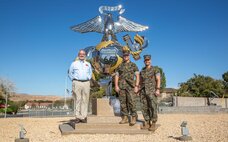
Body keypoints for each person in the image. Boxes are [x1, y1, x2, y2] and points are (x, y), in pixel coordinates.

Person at [115, 50, 140, 126]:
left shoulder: (133, 65)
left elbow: (137, 76)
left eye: (127, 55)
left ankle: (133, 117)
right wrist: (116, 85)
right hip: (122, 86)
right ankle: (125, 117)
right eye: (124, 56)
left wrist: (136, 86)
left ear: (129, 56)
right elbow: (117, 76)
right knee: (123, 103)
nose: (125, 57)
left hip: (130, 86)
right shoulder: (120, 66)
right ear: (123, 56)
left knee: (131, 102)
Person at [68, 49, 92, 123]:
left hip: (86, 83)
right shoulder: (74, 63)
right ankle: (77, 117)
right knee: (77, 99)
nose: (82, 55)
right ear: (78, 55)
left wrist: (88, 78)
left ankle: (83, 117)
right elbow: (69, 72)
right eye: (80, 54)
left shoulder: (88, 64)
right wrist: (73, 80)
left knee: (85, 100)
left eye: (83, 54)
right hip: (77, 82)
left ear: (85, 55)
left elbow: (90, 72)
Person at [140, 55, 161, 131]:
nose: (147, 61)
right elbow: (140, 81)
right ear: (144, 61)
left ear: (150, 60)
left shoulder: (155, 69)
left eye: (148, 60)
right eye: (146, 60)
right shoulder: (142, 71)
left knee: (152, 106)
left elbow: (158, 79)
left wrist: (158, 89)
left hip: (152, 91)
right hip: (143, 91)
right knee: (144, 107)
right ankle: (147, 122)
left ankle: (154, 123)